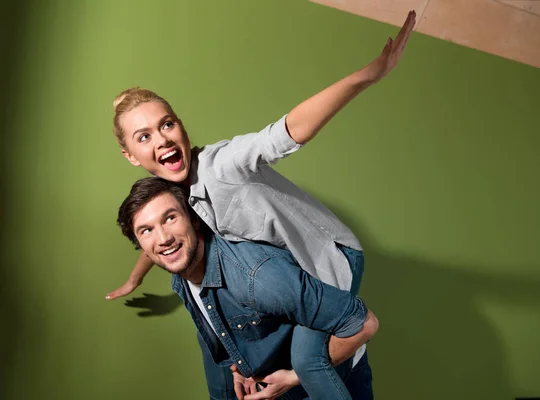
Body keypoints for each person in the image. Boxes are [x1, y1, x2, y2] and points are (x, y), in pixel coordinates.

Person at [107, 10, 416, 399]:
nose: (162, 140)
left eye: (167, 125)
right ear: (131, 155)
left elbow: (288, 131)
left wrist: (369, 74)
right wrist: (136, 277)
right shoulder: (172, 194)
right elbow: (158, 232)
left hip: (328, 258)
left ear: (181, 125)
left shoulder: (222, 164)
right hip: (292, 274)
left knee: (307, 361)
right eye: (144, 136)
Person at [117, 177, 378, 399]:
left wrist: (294, 377)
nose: (163, 238)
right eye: (147, 230)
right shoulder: (182, 274)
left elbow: (364, 323)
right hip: (272, 380)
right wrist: (239, 363)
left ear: (195, 220)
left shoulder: (258, 277)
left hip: (333, 378)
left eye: (170, 218)